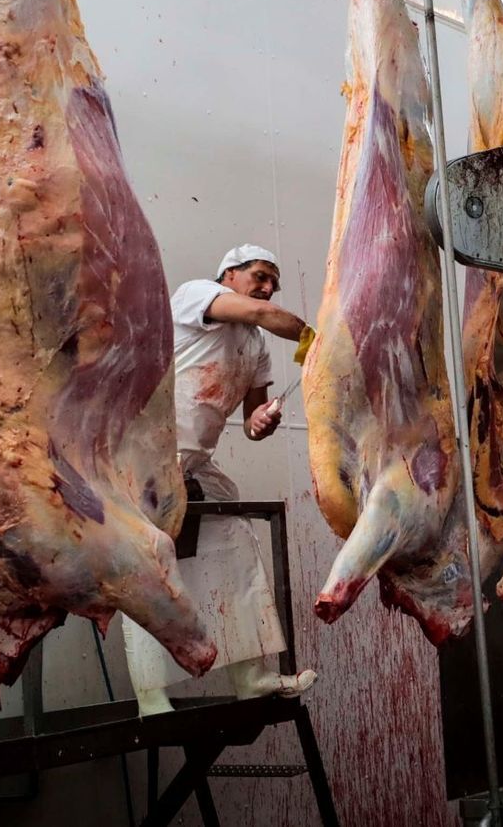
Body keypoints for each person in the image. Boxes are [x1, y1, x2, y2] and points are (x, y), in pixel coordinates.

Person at [122, 244, 319, 714]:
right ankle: (151, 698)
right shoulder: (198, 296)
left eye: (274, 281)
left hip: (192, 464)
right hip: (144, 454)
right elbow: (260, 312)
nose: (268, 287)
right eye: (259, 275)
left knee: (233, 536)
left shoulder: (255, 345)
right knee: (145, 570)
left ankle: (250, 675)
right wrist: (314, 337)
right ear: (228, 274)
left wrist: (260, 424)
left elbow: (252, 422)